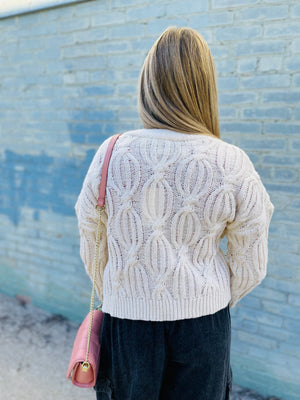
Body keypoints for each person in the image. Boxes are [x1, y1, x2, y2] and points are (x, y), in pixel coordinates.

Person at [75, 27, 274, 400]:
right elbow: (252, 264)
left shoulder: (111, 153)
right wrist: (205, 296)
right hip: (205, 328)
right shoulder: (232, 162)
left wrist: (124, 292)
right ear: (205, 86)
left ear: (149, 82)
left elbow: (93, 246)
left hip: (127, 324)